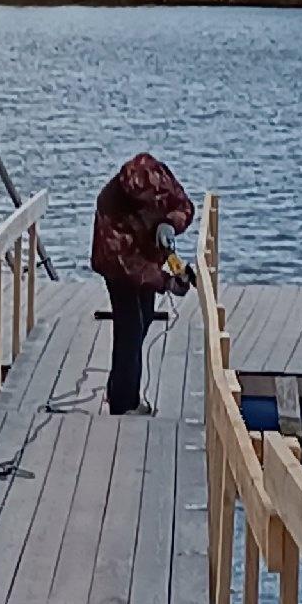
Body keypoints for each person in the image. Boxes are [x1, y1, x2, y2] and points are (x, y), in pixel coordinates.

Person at [90, 153, 195, 416]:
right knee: (130, 327)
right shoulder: (111, 204)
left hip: (147, 255)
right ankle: (124, 404)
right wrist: (168, 283)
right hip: (115, 264)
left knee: (145, 316)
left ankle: (119, 386)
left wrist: (169, 224)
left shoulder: (160, 177)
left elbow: (185, 206)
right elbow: (129, 265)